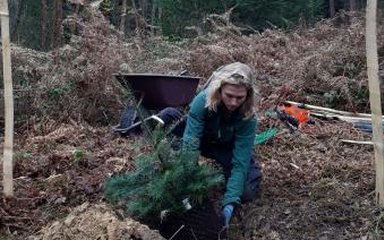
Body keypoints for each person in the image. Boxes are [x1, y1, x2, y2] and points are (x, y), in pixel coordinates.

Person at [159, 62, 262, 229]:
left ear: (247, 95)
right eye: (229, 95)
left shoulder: (248, 117)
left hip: (228, 148)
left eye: (240, 97)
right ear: (219, 90)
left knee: (247, 191)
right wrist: (189, 177)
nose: (234, 102)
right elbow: (191, 142)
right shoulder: (204, 100)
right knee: (169, 117)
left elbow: (240, 162)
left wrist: (229, 202)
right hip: (205, 140)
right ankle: (177, 163)